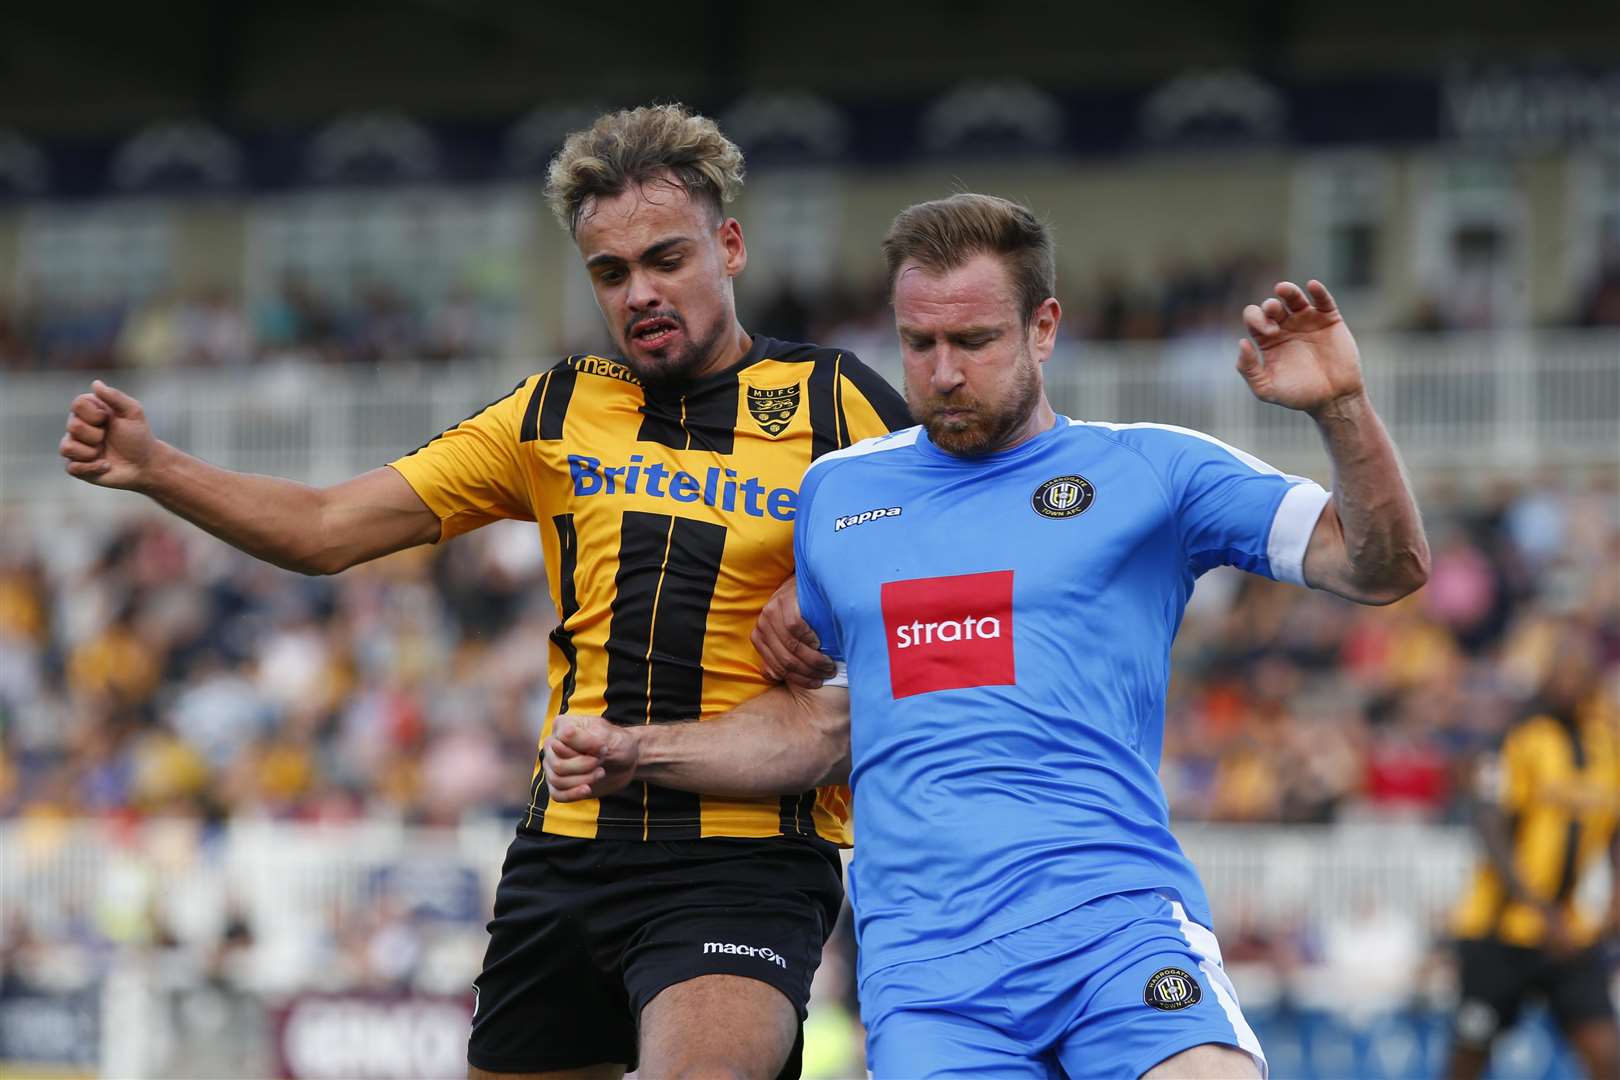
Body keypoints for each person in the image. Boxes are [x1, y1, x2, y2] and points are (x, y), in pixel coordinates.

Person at [57, 104, 910, 1080]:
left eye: (666, 260)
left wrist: (826, 585)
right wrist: (158, 466)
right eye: (611, 272)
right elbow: (328, 529)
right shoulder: (553, 410)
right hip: (567, 852)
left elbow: (958, 557)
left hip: (745, 853)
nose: (640, 292)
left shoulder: (839, 402)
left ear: (730, 246)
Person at [543, 193, 1431, 1078]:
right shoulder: (839, 495)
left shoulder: (1152, 469)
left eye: (974, 342)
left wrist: (1342, 408)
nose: (943, 373)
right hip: (930, 978)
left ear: (1043, 328)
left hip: (1117, 931)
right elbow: (829, 724)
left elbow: (1383, 566)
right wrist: (636, 748)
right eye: (918, 343)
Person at [1446, 631, 1620, 1080]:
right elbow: (1490, 829)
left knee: (1605, 1054)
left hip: (1569, 937)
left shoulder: (1607, 747)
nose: (1567, 682)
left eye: (1578, 673)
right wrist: (1538, 907)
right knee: (1470, 1054)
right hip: (1499, 933)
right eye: (1559, 672)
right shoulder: (1518, 739)